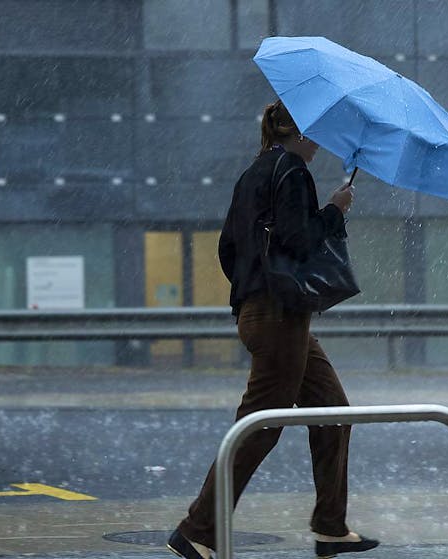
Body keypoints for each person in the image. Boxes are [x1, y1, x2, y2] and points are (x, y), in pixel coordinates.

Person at [167, 100, 378, 559]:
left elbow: (228, 249)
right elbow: (298, 240)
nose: (320, 142)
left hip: (266, 312)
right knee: (259, 425)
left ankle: (330, 527)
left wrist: (252, 287)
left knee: (334, 412)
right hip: (279, 315)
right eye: (316, 133)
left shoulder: (255, 172)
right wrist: (336, 210)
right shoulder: (292, 170)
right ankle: (198, 529)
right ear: (299, 133)